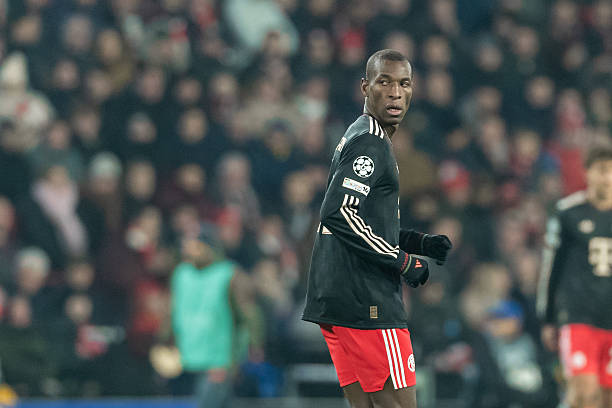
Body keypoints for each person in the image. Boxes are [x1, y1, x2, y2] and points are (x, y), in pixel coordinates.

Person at [301, 49, 453, 408]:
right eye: (384, 82)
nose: (396, 93)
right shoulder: (371, 142)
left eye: (404, 84)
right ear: (365, 87)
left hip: (338, 296)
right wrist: (401, 261)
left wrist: (418, 243)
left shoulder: (361, 134)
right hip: (367, 299)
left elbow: (363, 220)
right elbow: (339, 212)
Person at [537, 146, 612, 408]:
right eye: (601, 170)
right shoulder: (568, 213)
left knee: (607, 398)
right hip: (578, 315)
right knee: (584, 396)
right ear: (587, 172)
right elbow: (552, 266)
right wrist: (548, 317)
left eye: (611, 171)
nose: (607, 177)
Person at [171, 225, 258, 408]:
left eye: (194, 244)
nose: (188, 248)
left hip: (218, 362)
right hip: (185, 359)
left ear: (208, 247)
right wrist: (166, 341)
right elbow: (173, 311)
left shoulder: (229, 274)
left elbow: (248, 316)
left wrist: (242, 353)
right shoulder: (181, 274)